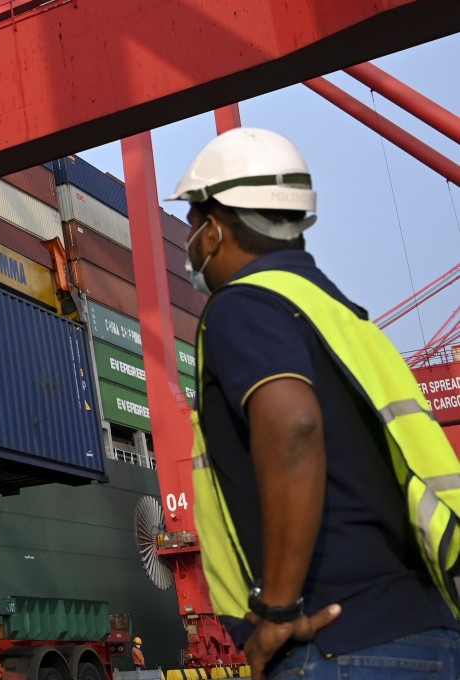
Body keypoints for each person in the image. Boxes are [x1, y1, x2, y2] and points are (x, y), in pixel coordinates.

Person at [165, 127, 460, 679]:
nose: (190, 245)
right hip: (432, 632)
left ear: (214, 230)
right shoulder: (345, 317)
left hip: (336, 646)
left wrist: (276, 609)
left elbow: (294, 424)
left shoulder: (244, 305)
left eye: (191, 225)